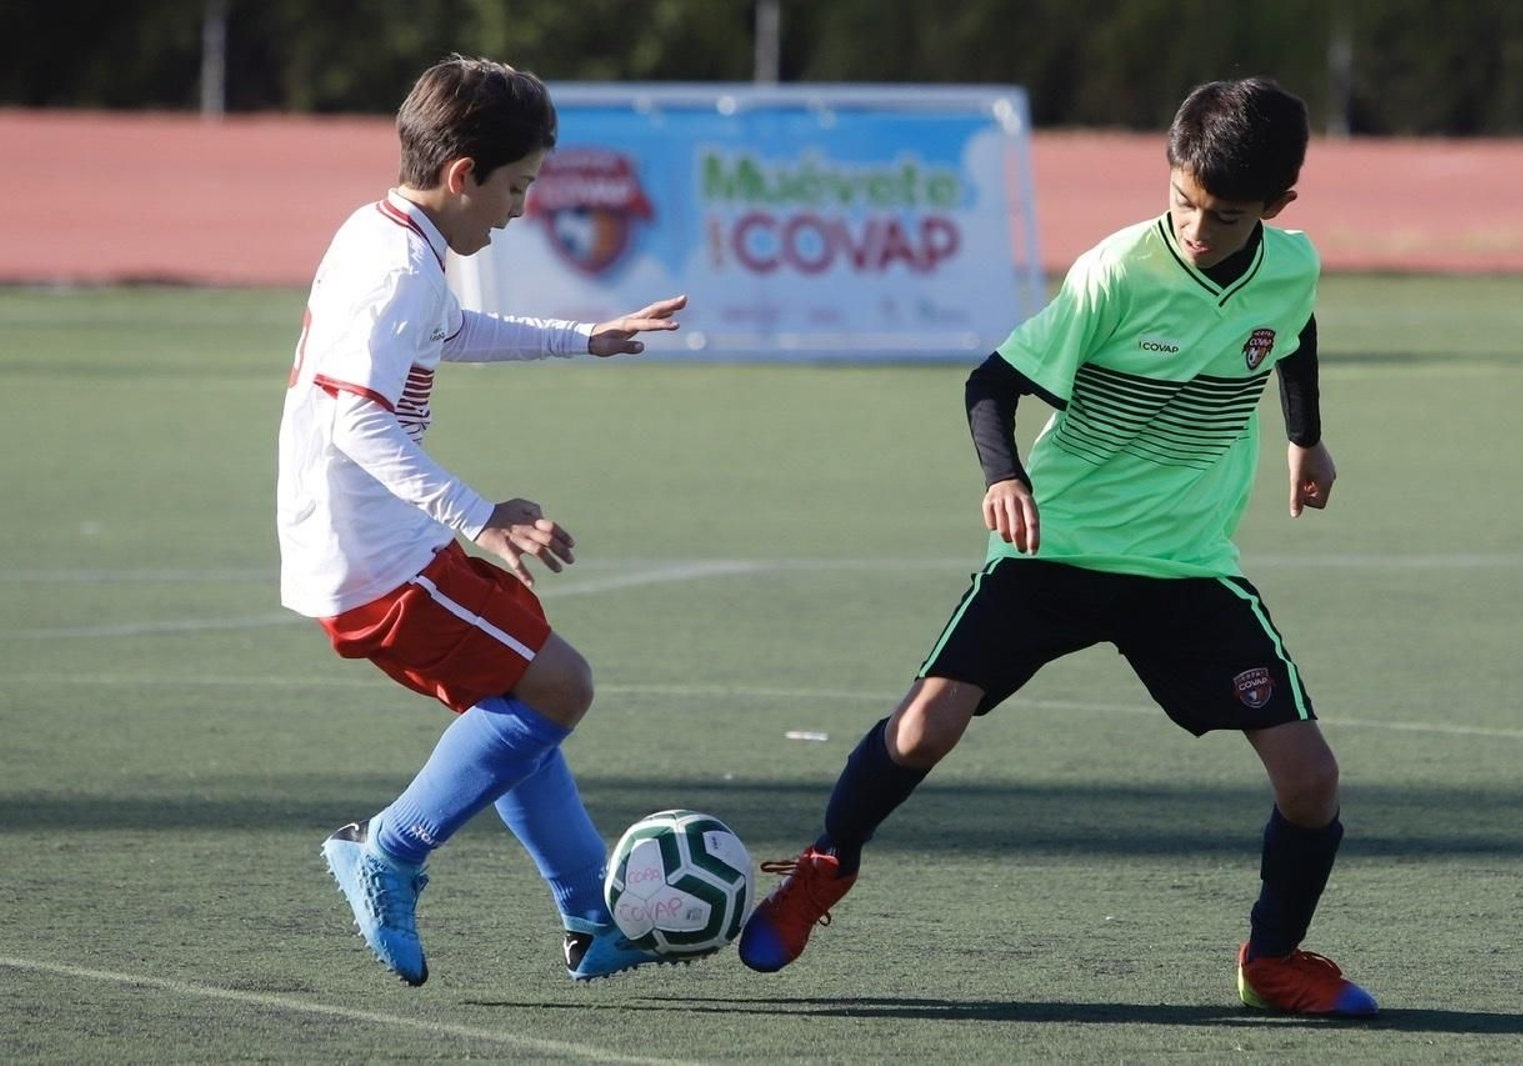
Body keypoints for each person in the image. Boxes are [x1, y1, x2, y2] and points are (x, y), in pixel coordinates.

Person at [737, 77, 1378, 1017]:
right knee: (925, 726)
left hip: (1185, 567)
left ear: (1279, 207)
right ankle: (828, 867)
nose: (1198, 229)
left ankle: (1271, 959)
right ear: (1170, 174)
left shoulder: (1293, 264)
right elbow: (990, 384)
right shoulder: (1115, 273)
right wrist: (1005, 478)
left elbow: (1291, 326)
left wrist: (1303, 435)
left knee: (1312, 782)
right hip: (1057, 549)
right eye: (1184, 202)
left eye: (1228, 216)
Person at [276, 55, 688, 985]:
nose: (520, 208)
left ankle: (594, 919)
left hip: (385, 544)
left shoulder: (395, 237)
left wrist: (584, 337)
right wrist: (479, 515)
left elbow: (454, 335)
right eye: (515, 187)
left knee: (520, 702)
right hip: (378, 559)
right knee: (561, 688)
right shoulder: (393, 270)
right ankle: (386, 849)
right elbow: (358, 418)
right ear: (463, 174)